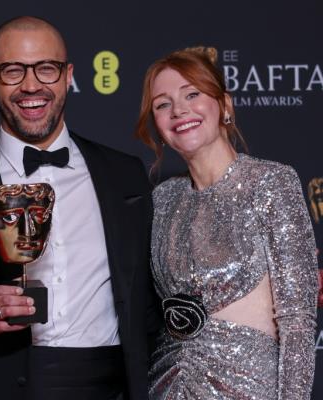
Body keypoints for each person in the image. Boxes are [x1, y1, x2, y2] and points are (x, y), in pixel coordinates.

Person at [0, 16, 160, 400]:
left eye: (46, 68)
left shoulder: (125, 175)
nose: (31, 85)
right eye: (12, 71)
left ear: (67, 75)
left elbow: (150, 311)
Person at [134, 47, 318, 399]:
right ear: (155, 123)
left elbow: (297, 323)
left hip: (247, 387)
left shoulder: (270, 182)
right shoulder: (161, 199)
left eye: (192, 94)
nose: (179, 110)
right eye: (162, 104)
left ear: (224, 104)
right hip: (169, 384)